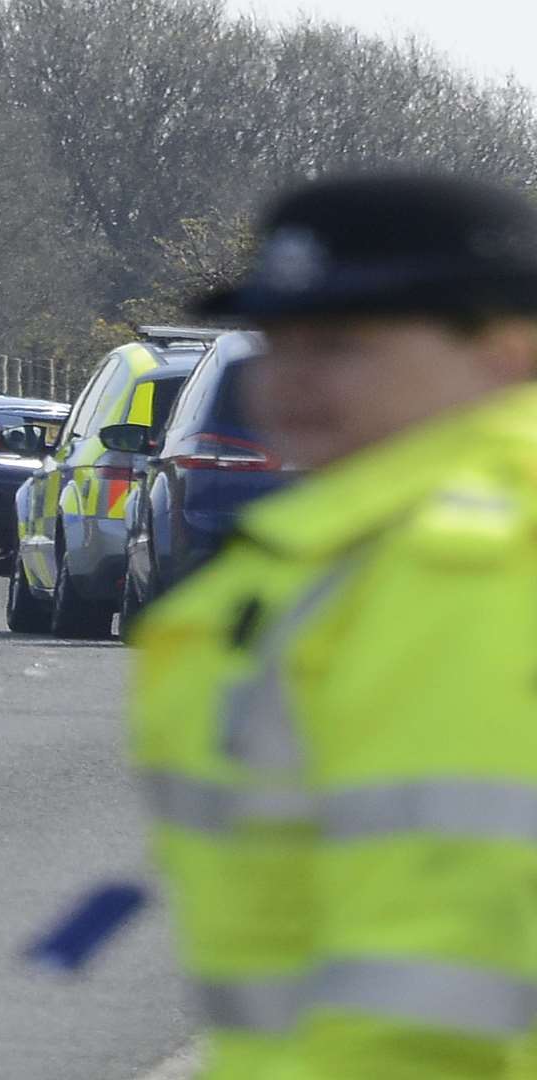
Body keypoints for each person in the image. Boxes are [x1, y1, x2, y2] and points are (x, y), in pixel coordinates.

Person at [129, 172, 537, 1078]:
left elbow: (445, 986)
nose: (293, 377)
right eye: (281, 339)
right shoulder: (343, 561)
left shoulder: (474, 565)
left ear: (507, 353)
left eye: (344, 342)